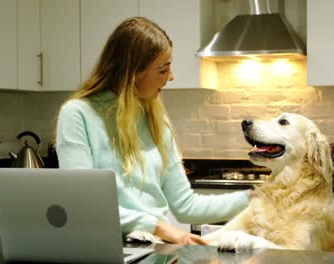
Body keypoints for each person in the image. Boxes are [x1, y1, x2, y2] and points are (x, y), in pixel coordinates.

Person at [55, 17, 251, 245]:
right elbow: (82, 202)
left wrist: (253, 198)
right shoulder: (78, 114)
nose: (171, 76)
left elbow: (186, 205)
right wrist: (158, 227)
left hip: (152, 250)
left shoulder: (158, 123)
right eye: (163, 69)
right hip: (98, 248)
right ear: (133, 71)